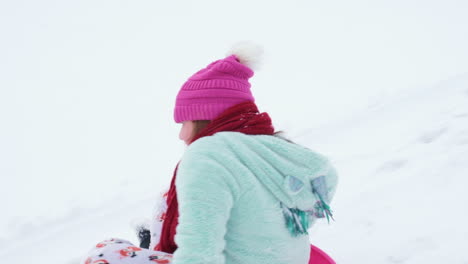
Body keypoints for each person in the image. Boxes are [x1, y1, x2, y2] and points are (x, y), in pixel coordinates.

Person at [81, 44, 338, 264]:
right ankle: (156, 238)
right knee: (166, 200)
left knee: (105, 253)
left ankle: (155, 242)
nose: (182, 135)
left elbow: (200, 253)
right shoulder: (271, 149)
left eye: (184, 123)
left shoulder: (209, 154)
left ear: (205, 117)